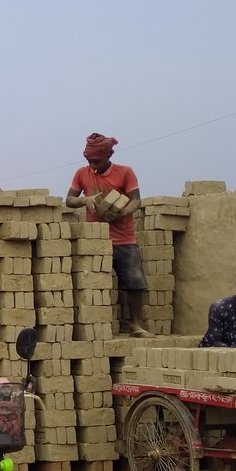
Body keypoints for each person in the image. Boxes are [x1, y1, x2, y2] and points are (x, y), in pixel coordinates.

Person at [65, 132, 151, 338]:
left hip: (124, 239)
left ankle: (135, 324)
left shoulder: (125, 172)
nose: (93, 166)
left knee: (135, 283)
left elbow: (136, 200)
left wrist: (122, 212)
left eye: (97, 161)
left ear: (108, 155)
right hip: (96, 240)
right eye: (89, 161)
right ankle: (94, 325)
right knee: (93, 284)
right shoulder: (82, 173)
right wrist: (85, 200)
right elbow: (69, 200)